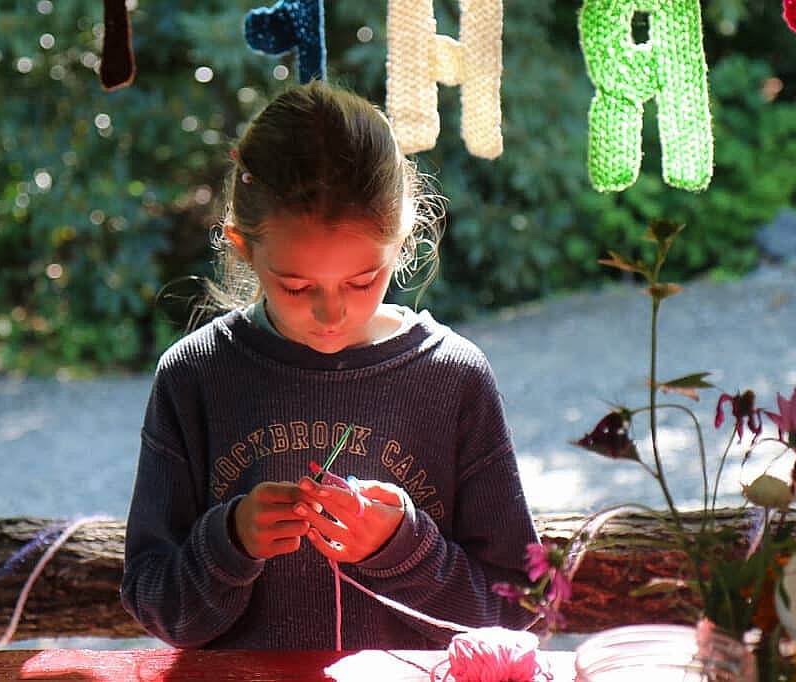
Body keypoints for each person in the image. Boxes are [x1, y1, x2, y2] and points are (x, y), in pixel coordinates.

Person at [120, 80, 540, 650]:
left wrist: (402, 548)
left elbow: (517, 613)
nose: (330, 313)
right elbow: (155, 604)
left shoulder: (452, 378)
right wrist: (230, 543)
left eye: (363, 280)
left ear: (402, 241)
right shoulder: (196, 377)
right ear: (243, 248)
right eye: (295, 286)